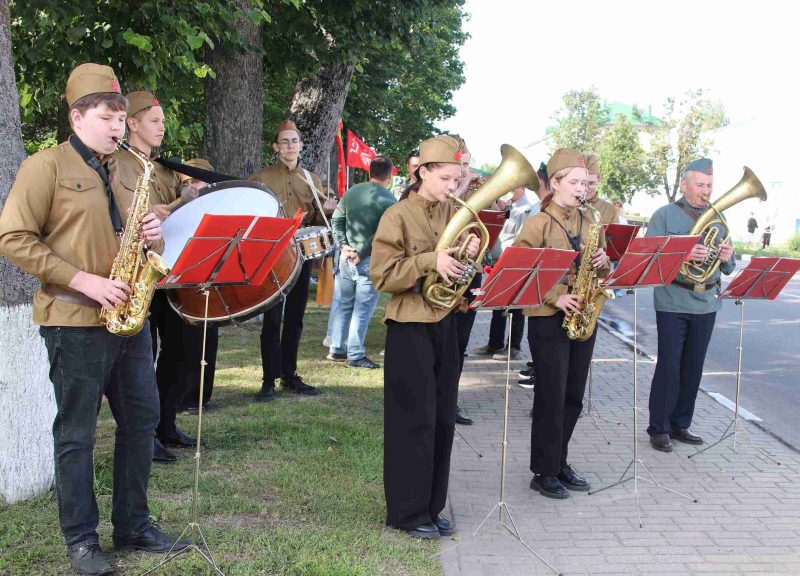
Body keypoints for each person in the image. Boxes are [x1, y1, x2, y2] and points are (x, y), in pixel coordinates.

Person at [0, 63, 185, 576]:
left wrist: (153, 235)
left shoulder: (129, 170)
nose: (118, 128)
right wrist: (84, 280)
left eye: (122, 118)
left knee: (142, 420)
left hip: (130, 318)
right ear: (78, 116)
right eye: (108, 117)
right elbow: (13, 238)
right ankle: (81, 541)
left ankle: (133, 524)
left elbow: (149, 242)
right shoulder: (46, 167)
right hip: (75, 320)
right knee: (77, 434)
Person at [371, 134, 480, 539]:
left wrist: (469, 260)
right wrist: (429, 260)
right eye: (448, 178)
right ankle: (406, 512)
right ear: (423, 172)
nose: (455, 186)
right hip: (411, 326)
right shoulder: (397, 216)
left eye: (459, 178)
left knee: (441, 419)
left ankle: (432, 506)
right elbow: (382, 275)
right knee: (411, 421)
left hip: (446, 322)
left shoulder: (455, 211)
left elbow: (463, 270)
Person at [513, 148, 610, 499]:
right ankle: (543, 470)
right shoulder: (538, 223)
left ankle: (560, 460)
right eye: (574, 182)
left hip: (584, 313)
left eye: (585, 183)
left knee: (573, 397)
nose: (582, 189)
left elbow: (602, 269)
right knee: (551, 396)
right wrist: (557, 296)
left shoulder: (589, 219)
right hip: (549, 317)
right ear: (554, 184)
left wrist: (603, 260)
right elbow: (523, 273)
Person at [112, 90, 193, 464]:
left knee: (178, 351)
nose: (162, 127)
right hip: (138, 268)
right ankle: (145, 435)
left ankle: (166, 424)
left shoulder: (163, 167)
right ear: (133, 124)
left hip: (171, 267)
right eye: (155, 121)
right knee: (146, 355)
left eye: (163, 121)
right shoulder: (119, 164)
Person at [645, 157, 736, 453]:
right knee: (669, 366)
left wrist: (725, 257)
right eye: (700, 184)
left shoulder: (718, 220)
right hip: (673, 300)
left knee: (693, 368)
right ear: (684, 184)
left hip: (706, 302)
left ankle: (680, 424)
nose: (706, 190)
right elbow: (649, 259)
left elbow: (729, 267)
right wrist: (682, 254)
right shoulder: (664, 215)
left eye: (710, 185)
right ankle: (659, 427)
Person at [249, 120, 330, 401]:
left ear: (301, 145)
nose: (290, 146)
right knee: (272, 318)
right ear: (276, 147)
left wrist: (328, 211)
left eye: (294, 141)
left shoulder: (312, 179)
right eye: (284, 141)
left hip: (301, 252)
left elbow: (318, 219)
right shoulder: (259, 177)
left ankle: (289, 374)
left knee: (295, 317)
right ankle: (268, 379)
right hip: (273, 254)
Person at [328, 155, 396, 368]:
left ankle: (337, 348)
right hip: (369, 259)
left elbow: (336, 220)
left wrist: (344, 246)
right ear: (390, 175)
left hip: (346, 256)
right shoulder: (390, 201)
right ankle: (356, 354)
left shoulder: (351, 192)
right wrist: (362, 251)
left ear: (369, 171)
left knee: (344, 304)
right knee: (363, 309)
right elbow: (381, 233)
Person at [173, 158, 220, 415]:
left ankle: (201, 395)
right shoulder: (178, 204)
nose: (193, 186)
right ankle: (180, 393)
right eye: (188, 182)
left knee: (207, 337)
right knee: (182, 340)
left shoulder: (220, 203)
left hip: (209, 277)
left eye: (198, 180)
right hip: (181, 276)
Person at [472, 186, 539, 368]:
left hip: (516, 262)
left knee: (515, 307)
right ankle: (495, 343)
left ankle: (513, 347)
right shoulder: (509, 207)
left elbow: (524, 238)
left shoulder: (530, 208)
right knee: (497, 304)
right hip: (499, 262)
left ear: (521, 187)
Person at [518, 162, 552, 387]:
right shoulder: (538, 209)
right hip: (542, 293)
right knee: (539, 341)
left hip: (551, 292)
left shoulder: (541, 208)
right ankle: (539, 372)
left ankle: (541, 373)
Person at [583, 154, 619, 225]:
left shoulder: (610, 210)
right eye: (582, 183)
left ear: (599, 180)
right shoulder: (564, 204)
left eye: (591, 183)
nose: (586, 189)